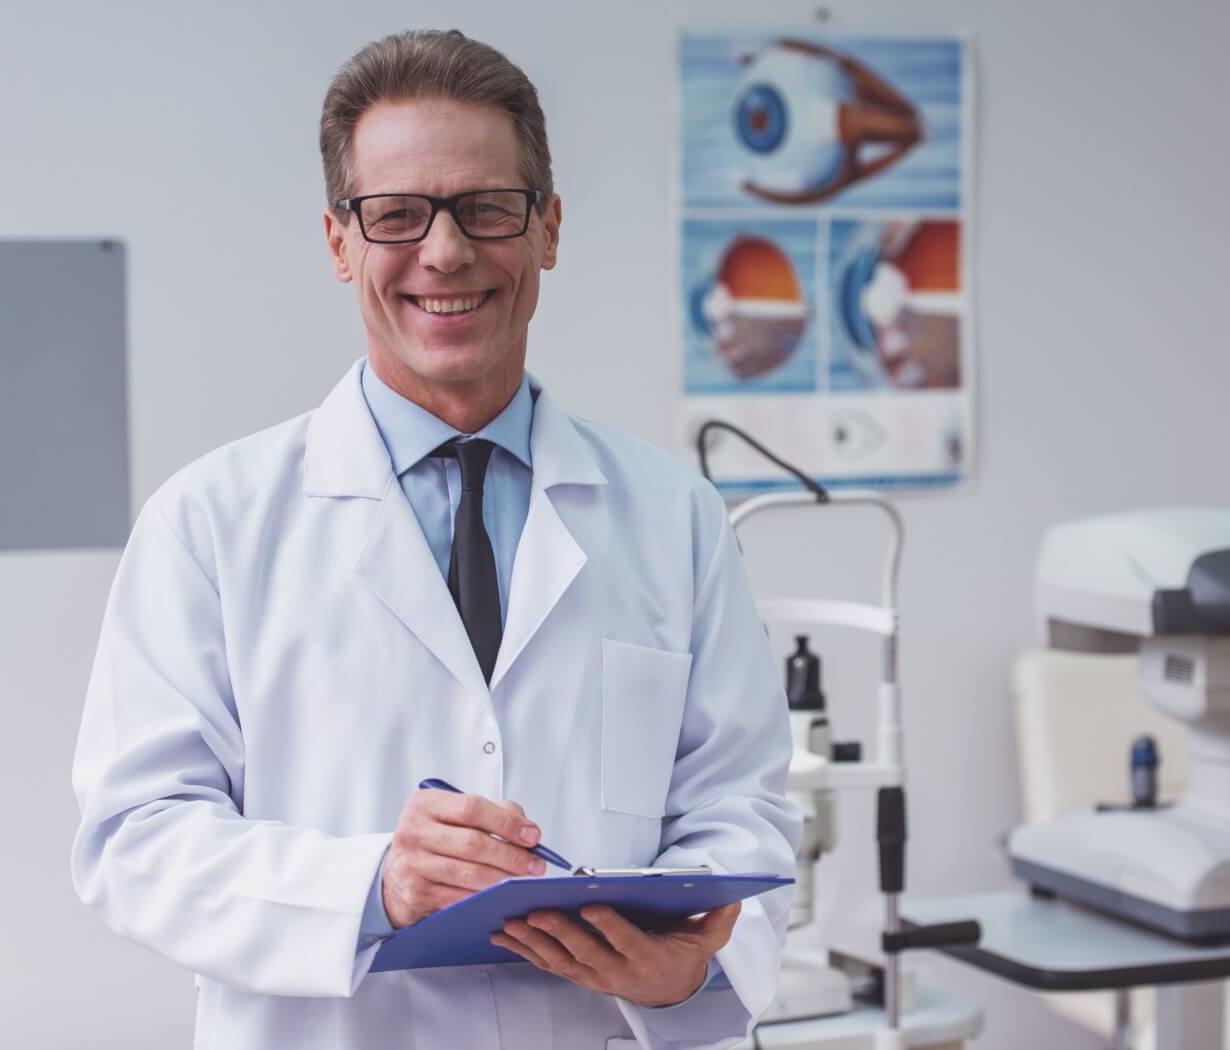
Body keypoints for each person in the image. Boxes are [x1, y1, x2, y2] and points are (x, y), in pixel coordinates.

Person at [71, 29, 799, 1050]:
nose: (445, 251)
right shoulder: (210, 523)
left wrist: (695, 971)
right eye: (396, 215)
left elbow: (741, 805)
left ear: (546, 228)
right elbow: (133, 839)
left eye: (485, 208)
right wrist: (371, 884)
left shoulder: (671, 516)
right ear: (339, 242)